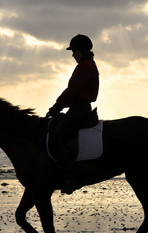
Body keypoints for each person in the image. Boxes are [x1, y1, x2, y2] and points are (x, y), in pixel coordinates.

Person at [47, 34, 100, 194]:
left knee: (55, 140)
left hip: (80, 108)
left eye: (74, 51)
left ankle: (72, 177)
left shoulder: (85, 66)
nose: (72, 54)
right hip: (77, 107)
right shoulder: (86, 64)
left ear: (83, 51)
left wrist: (56, 106)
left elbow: (72, 91)